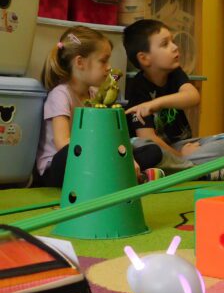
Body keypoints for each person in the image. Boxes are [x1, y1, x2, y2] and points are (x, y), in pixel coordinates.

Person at [35, 25, 163, 187]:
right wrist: (106, 150)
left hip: (91, 159)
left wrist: (125, 154)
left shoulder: (95, 94)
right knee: (69, 154)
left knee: (152, 151)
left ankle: (116, 174)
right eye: (103, 61)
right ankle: (122, 175)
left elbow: (109, 135)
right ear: (80, 62)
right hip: (58, 167)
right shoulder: (60, 95)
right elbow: (63, 144)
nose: (109, 67)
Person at [123, 19, 224, 180]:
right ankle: (199, 172)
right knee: (141, 145)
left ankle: (181, 170)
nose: (175, 47)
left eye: (172, 41)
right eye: (165, 44)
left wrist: (156, 104)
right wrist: (179, 155)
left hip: (181, 147)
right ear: (144, 59)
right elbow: (146, 137)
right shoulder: (138, 87)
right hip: (160, 151)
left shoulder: (175, 73)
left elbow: (193, 96)